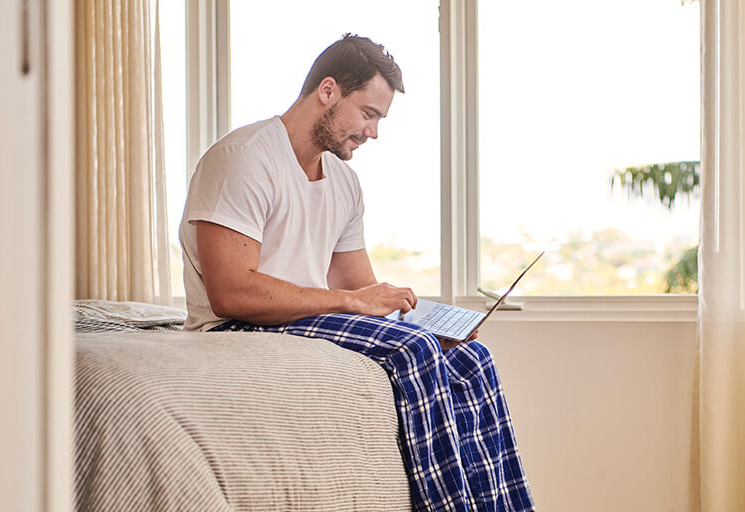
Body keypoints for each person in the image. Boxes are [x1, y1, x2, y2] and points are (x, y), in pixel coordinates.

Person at [179, 34, 535, 511]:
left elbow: (357, 287)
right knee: (414, 351)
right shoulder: (243, 158)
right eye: (369, 114)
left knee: (473, 361)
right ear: (328, 91)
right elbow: (232, 292)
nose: (373, 133)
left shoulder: (343, 181)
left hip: (300, 321)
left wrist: (420, 318)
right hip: (236, 326)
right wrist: (354, 303)